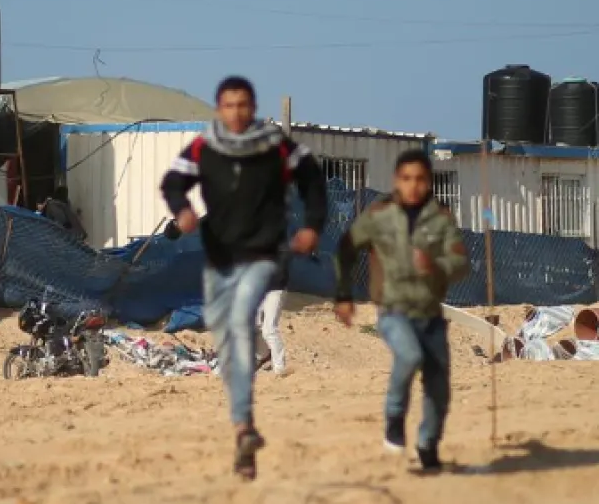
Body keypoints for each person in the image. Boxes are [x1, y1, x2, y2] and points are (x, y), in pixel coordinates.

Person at [160, 75, 327, 480]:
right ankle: (244, 431)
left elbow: (312, 181)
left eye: (243, 105)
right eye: (228, 105)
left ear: (252, 108)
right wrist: (181, 209)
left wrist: (312, 226)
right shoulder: (205, 147)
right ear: (220, 109)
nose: (236, 112)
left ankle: (250, 412)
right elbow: (173, 182)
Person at [333, 148, 470, 472]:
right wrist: (343, 295)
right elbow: (346, 248)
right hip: (393, 310)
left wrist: (435, 266)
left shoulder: (441, 217)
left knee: (438, 387)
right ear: (397, 180)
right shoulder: (379, 214)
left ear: (429, 182)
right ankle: (394, 419)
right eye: (407, 179)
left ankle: (427, 444)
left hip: (431, 315)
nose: (413, 186)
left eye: (421, 179)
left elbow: (462, 263)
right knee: (408, 357)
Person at [255, 249, 289, 376]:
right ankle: (264, 354)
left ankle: (280, 367)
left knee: (269, 329)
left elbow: (279, 274)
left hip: (275, 290)